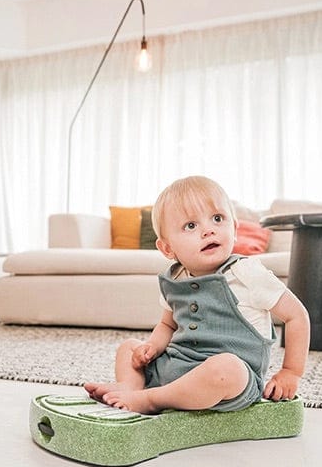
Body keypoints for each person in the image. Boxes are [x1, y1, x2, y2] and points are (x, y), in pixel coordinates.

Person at [84, 176, 310, 414]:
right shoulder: (175, 278)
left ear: (234, 229)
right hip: (176, 366)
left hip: (228, 382)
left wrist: (291, 372)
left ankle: (151, 399)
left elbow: (297, 316)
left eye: (217, 218)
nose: (208, 230)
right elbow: (167, 325)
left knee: (226, 369)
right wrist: (151, 347)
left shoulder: (247, 273)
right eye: (191, 226)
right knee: (129, 347)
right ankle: (130, 386)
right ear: (167, 248)